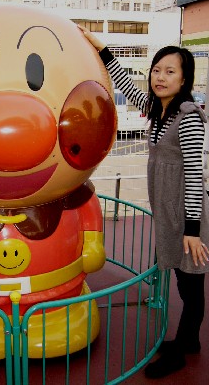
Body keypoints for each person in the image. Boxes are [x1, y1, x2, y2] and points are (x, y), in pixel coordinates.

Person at [78, 25, 209, 379]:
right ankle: (190, 340)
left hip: (187, 217)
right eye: (156, 70)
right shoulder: (158, 110)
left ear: (184, 79)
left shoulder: (188, 118)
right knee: (184, 282)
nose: (160, 77)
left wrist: (193, 231)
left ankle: (181, 350)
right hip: (170, 215)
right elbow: (125, 84)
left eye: (170, 72)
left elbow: (196, 176)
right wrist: (100, 46)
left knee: (191, 285)